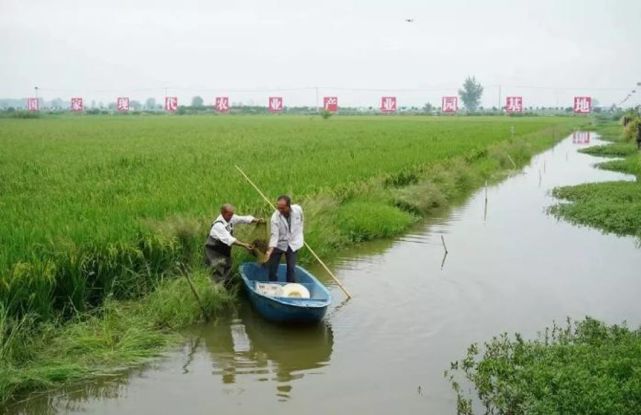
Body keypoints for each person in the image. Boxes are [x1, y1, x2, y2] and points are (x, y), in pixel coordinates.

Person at [204, 203, 263, 286]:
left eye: (232, 214)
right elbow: (230, 239)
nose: (232, 216)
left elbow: (243, 219)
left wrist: (256, 220)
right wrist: (244, 245)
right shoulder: (218, 225)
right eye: (230, 215)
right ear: (223, 213)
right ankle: (216, 289)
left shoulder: (230, 218)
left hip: (224, 248)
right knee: (217, 269)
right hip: (214, 250)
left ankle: (226, 286)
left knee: (227, 265)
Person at [266, 195, 304, 283]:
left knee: (291, 268)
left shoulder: (298, 210)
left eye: (282, 208)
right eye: (278, 208)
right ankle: (273, 285)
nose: (280, 210)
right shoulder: (275, 217)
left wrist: (298, 234)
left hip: (293, 243)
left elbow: (301, 221)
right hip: (279, 243)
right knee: (272, 269)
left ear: (288, 206)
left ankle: (290, 288)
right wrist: (269, 251)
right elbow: (274, 235)